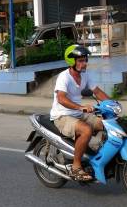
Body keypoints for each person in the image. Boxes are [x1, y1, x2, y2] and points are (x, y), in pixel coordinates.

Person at [50, 45, 110, 181]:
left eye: (85, 60)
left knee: (106, 124)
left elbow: (97, 92)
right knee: (86, 130)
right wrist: (80, 107)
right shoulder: (63, 77)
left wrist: (112, 104)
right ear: (72, 62)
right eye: (81, 61)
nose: (84, 64)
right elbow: (61, 98)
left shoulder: (85, 75)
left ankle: (97, 157)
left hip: (78, 113)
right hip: (62, 115)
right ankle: (76, 167)